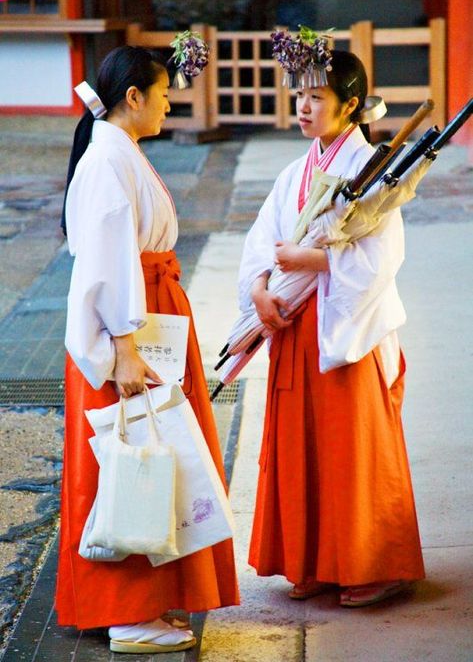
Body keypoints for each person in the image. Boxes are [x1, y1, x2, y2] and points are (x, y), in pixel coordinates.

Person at [56, 45, 239, 654]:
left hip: (147, 318)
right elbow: (105, 264)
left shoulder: (114, 150)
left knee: (152, 456)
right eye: (162, 94)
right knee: (133, 459)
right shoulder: (108, 158)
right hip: (129, 333)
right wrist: (125, 348)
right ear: (133, 97)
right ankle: (127, 611)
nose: (169, 102)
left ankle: (139, 602)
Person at [238, 48, 425, 607]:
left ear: (351, 106)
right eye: (300, 96)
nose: (304, 106)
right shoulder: (295, 173)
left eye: (316, 97)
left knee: (352, 449)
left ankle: (375, 563)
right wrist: (259, 292)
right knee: (303, 447)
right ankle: (315, 559)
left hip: (346, 324)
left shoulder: (372, 170)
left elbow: (382, 258)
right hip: (296, 321)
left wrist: (312, 263)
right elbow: (260, 246)